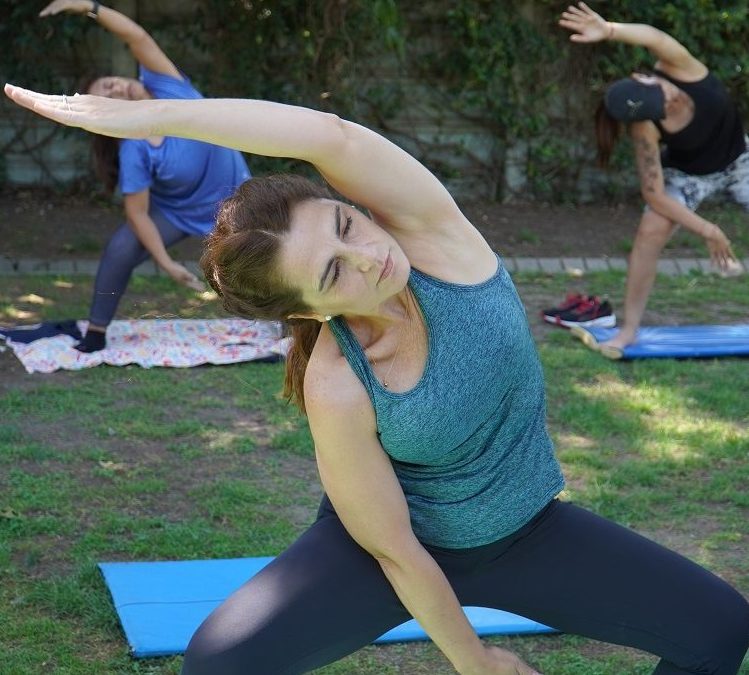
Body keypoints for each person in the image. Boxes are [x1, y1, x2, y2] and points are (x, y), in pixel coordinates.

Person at [6, 80, 749, 675]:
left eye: (345, 224)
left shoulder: (435, 237)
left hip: (525, 533)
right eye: (334, 272)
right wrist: (476, 658)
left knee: (719, 627)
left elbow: (328, 137)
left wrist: (157, 117)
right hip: (379, 552)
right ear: (311, 310)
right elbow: (394, 547)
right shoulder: (337, 379)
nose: (367, 255)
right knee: (218, 662)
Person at [36, 0, 251, 352]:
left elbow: (137, 36)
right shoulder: (134, 149)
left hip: (236, 196)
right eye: (108, 98)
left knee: (267, 247)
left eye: (109, 83)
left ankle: (292, 325)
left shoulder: (167, 84)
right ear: (110, 116)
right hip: (179, 212)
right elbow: (138, 214)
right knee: (120, 247)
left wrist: (88, 6)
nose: (116, 90)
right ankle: (95, 332)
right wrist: (166, 264)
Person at [560, 2, 746, 357]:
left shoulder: (680, 68)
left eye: (662, 94)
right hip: (689, 176)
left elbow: (654, 37)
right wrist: (708, 230)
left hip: (740, 160)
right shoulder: (645, 127)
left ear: (645, 77)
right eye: (661, 109)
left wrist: (608, 30)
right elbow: (655, 194)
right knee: (650, 230)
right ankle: (629, 330)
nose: (670, 102)